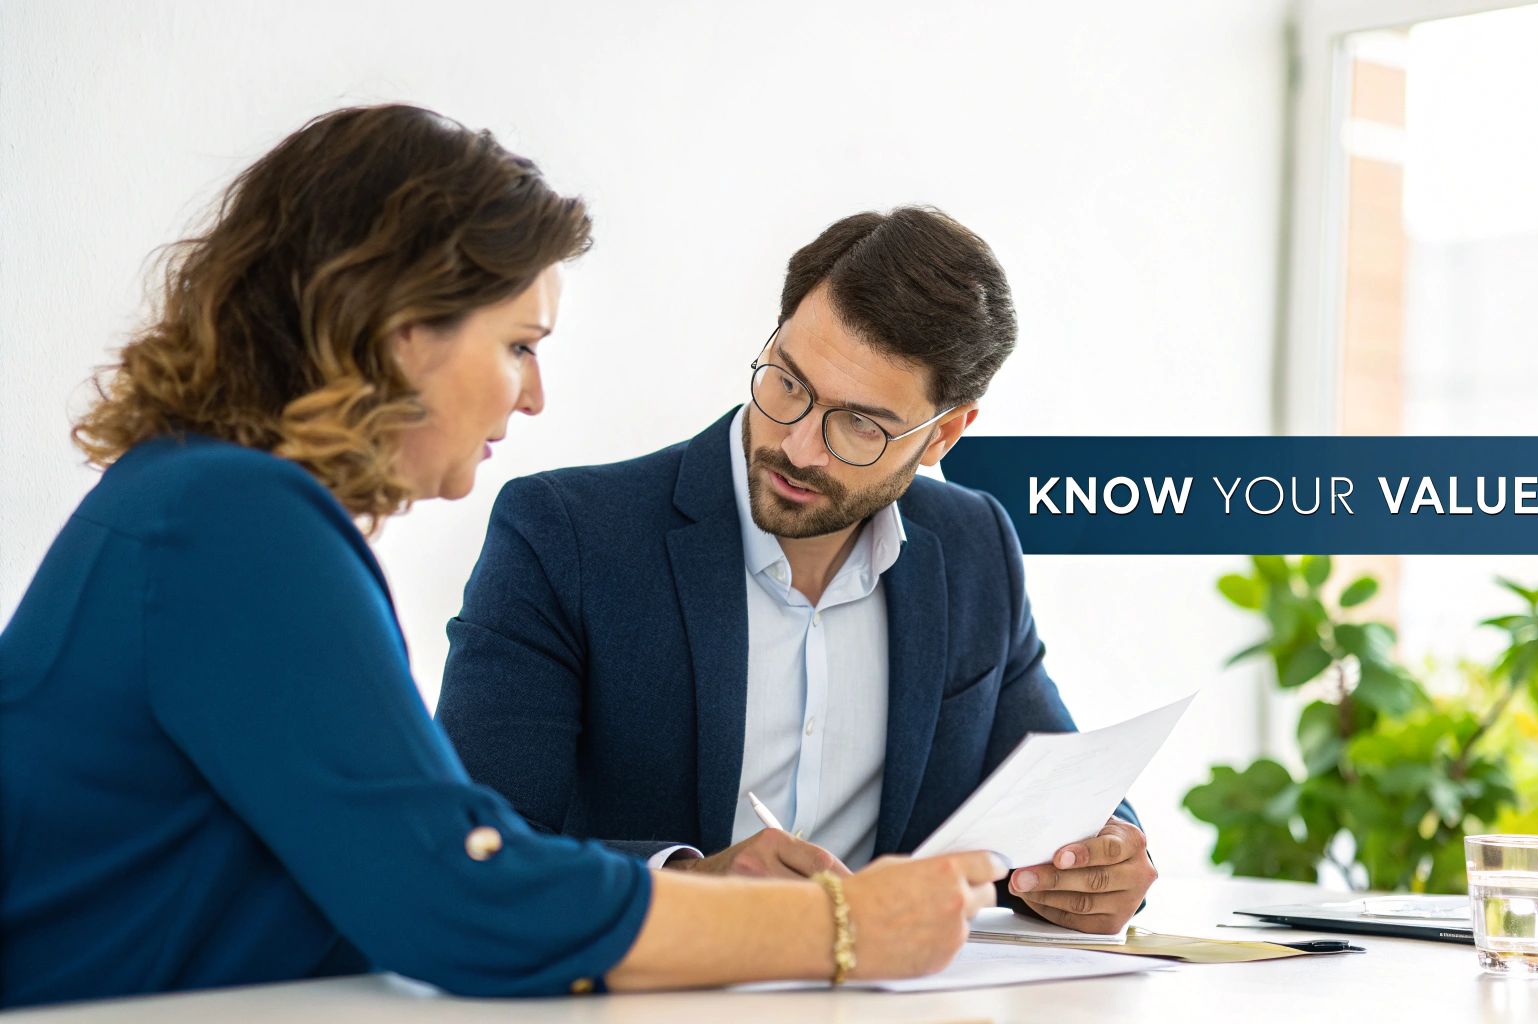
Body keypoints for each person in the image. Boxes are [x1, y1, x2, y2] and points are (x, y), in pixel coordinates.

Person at [0, 105, 1005, 1011]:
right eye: (519, 345)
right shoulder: (233, 523)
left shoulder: (203, 501)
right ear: (400, 337)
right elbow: (459, 892)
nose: (532, 398)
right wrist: (843, 928)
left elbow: (411, 870)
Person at [437, 207, 1158, 935]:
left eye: (860, 425)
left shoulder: (973, 549)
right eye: (787, 383)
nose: (800, 447)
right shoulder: (565, 536)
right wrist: (693, 883)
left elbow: (1054, 782)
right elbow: (473, 850)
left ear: (943, 434)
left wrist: (1103, 853)